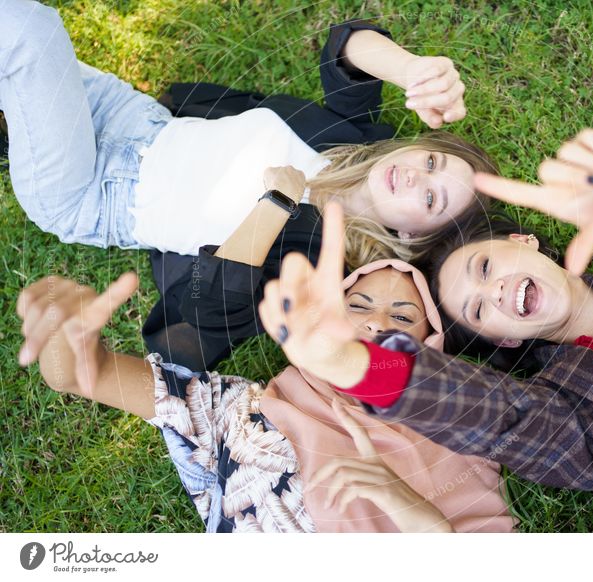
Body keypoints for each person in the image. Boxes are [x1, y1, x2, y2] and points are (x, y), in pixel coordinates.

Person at [257, 143, 593, 532]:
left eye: (487, 265)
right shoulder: (573, 407)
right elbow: (498, 420)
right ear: (506, 341)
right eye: (476, 308)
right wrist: (352, 363)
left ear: (527, 242)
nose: (493, 291)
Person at [3, 1, 496, 369]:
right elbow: (346, 46)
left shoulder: (318, 268)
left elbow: (208, 310)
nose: (417, 175)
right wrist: (411, 69)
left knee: (26, 26)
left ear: (410, 236)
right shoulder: (354, 138)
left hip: (91, 193)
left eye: (430, 197)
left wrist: (275, 204)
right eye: (432, 160)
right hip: (130, 119)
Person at [16, 209, 514, 533]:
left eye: (403, 319)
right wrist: (66, 340)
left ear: (430, 349)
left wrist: (395, 496)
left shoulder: (458, 433)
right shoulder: (240, 408)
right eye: (356, 305)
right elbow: (88, 374)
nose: (375, 322)